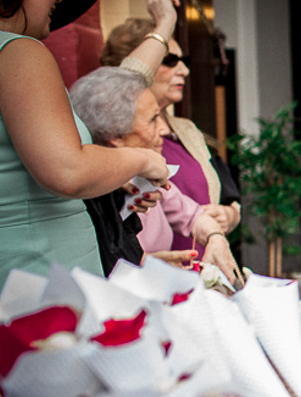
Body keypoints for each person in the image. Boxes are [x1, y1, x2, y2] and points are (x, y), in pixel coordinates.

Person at [0, 0, 169, 306]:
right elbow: (66, 171)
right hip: (37, 279)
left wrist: (112, 176)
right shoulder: (19, 53)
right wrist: (141, 158)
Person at [70, 66, 242, 286]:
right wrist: (146, 265)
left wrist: (215, 238)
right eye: (153, 119)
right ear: (117, 135)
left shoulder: (149, 179)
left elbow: (192, 215)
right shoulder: (89, 195)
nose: (163, 130)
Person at [101, 8, 242, 246]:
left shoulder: (186, 130)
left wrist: (230, 216)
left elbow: (224, 192)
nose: (184, 71)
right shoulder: (115, 138)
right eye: (170, 60)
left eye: (183, 62)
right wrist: (165, 21)